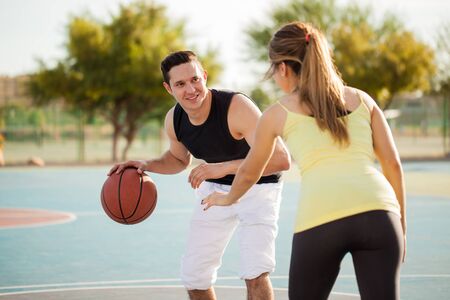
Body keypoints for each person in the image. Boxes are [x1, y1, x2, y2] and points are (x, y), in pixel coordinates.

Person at [203, 22, 406, 300]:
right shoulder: (363, 100)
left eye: (274, 71)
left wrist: (226, 199)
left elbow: (250, 171)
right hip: (380, 214)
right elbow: (393, 165)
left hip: (322, 217)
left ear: (283, 68)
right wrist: (400, 225)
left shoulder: (277, 113)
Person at [108, 50, 290, 300]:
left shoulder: (236, 107)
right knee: (194, 277)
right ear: (168, 88)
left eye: (195, 79)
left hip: (259, 188)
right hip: (215, 190)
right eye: (180, 84)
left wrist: (222, 167)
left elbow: (281, 159)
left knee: (255, 272)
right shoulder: (175, 119)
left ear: (204, 76)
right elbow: (178, 159)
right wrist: (145, 164)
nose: (191, 89)